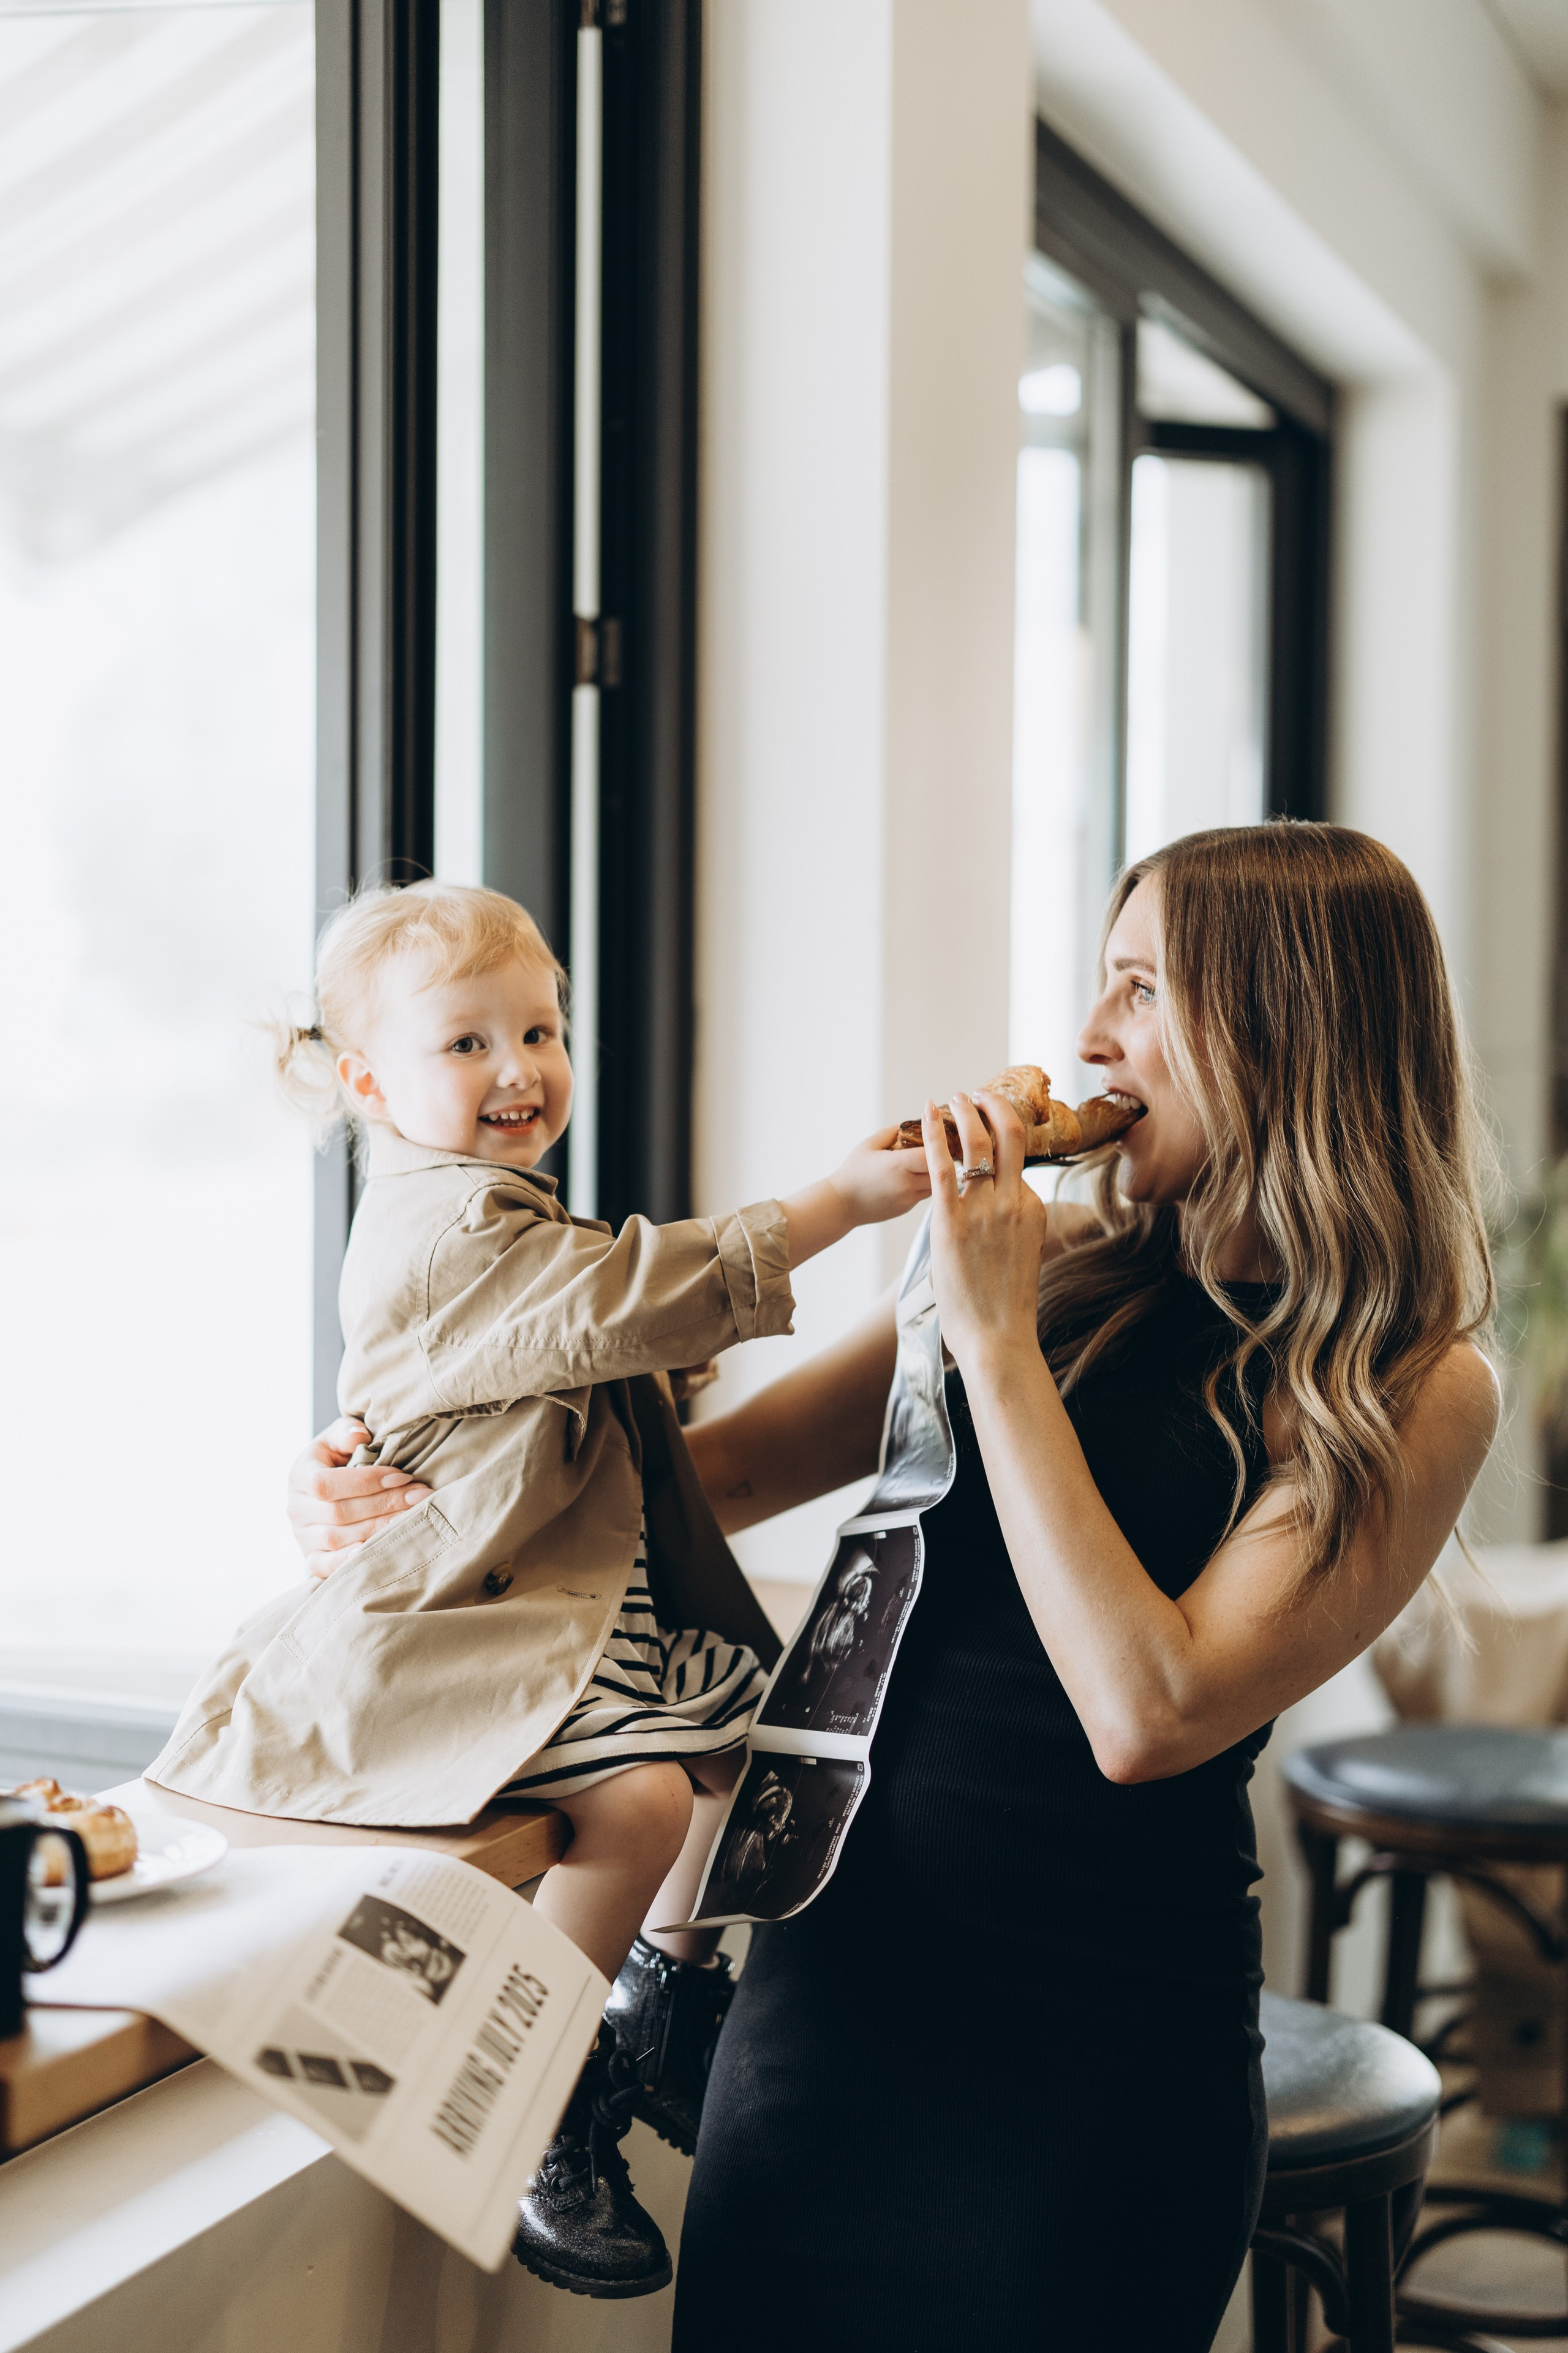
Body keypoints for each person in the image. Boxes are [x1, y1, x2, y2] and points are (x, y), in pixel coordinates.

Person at [289, 827, 1499, 2349]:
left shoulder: (1406, 1379)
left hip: (1091, 2061)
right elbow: (704, 1486)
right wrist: (382, 1464)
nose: (1088, 1036)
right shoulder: (1055, 1265)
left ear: (1279, 1022)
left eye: (1139, 988)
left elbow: (1151, 1709)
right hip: (823, 2000)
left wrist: (989, 1341)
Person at [151, 878, 930, 2303]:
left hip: (558, 1605)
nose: (518, 1069)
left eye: (540, 1029)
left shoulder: (496, 1211)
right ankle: (533, 2095)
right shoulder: (450, 1229)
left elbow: (610, 1351)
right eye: (467, 1044)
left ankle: (665, 2005)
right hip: (466, 1621)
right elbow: (613, 1302)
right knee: (634, 1803)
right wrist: (832, 1205)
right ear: (366, 1081)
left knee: (736, 1740)